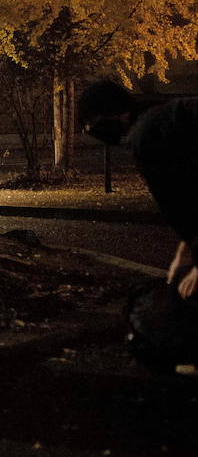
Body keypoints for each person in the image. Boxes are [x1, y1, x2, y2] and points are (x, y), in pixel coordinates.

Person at [78, 81, 198, 301]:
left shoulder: (148, 138)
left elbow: (179, 201)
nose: (88, 131)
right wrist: (186, 249)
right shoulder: (167, 116)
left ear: (116, 113)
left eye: (91, 122)